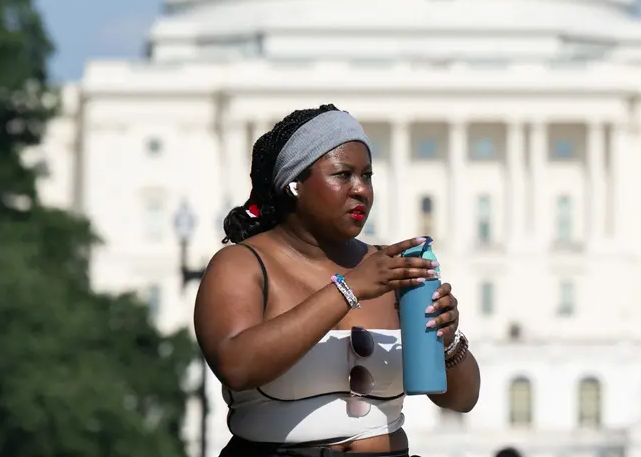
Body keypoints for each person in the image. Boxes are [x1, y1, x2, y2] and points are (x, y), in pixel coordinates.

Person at [195, 104, 481, 457]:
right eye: (343, 175)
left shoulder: (392, 268)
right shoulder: (242, 264)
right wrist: (349, 289)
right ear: (294, 185)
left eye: (368, 176)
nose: (361, 190)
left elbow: (462, 400)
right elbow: (236, 366)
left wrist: (447, 342)